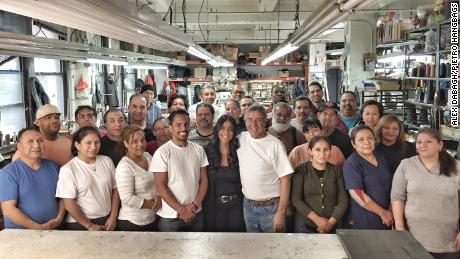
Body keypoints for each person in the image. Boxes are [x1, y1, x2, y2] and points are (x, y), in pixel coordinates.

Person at [392, 128, 460, 259]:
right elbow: (397, 197)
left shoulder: (457, 167)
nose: (423, 145)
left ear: (440, 145)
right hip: (413, 239)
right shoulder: (406, 165)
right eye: (419, 142)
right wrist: (400, 229)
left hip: (448, 241)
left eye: (428, 141)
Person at [237, 105, 293, 233]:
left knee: (275, 248)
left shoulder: (275, 145)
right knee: (253, 248)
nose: (254, 124)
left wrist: (281, 212)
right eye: (249, 120)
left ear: (265, 121)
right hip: (248, 207)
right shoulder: (242, 138)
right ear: (245, 122)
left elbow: (285, 179)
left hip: (271, 209)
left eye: (258, 120)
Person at [151, 110, 208, 232]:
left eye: (186, 124)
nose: (183, 128)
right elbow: (160, 186)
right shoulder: (162, 153)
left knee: (197, 250)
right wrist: (181, 210)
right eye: (178, 124)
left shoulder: (199, 150)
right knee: (170, 251)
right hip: (171, 217)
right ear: (171, 127)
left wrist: (194, 206)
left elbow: (204, 181)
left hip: (196, 213)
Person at [56, 126, 119, 231]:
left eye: (97, 142)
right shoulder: (68, 169)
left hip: (107, 219)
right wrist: (89, 225)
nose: (93, 146)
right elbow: (68, 203)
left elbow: (115, 190)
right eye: (88, 143)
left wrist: (113, 216)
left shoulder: (107, 161)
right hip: (80, 223)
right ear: (77, 145)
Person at [0, 127, 65, 229]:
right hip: (22, 234)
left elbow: (62, 197)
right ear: (19, 146)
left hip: (53, 229)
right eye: (30, 141)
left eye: (40, 140)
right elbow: (9, 210)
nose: (36, 145)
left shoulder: (53, 166)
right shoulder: (9, 173)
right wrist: (38, 227)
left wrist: (59, 219)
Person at [291, 136, 348, 233]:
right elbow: (296, 199)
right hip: (305, 225)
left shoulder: (336, 170)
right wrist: (317, 220)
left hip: (333, 224)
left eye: (326, 149)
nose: (322, 154)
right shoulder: (301, 170)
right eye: (317, 149)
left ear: (330, 151)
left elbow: (343, 200)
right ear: (310, 151)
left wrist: (329, 223)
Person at [343, 125, 393, 230]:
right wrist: (382, 212)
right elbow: (357, 194)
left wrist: (390, 210)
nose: (366, 142)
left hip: (386, 216)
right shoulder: (352, 164)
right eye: (361, 139)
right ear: (353, 143)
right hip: (366, 218)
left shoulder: (379, 156)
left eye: (370, 138)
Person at [115, 125, 161, 231]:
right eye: (135, 141)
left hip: (152, 218)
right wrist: (154, 205)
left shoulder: (148, 156)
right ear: (126, 144)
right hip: (132, 222)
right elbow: (127, 199)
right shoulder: (124, 166)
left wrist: (158, 195)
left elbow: (158, 179)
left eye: (142, 140)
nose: (140, 144)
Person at [203, 115, 245, 232]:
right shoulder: (207, 151)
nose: (226, 132)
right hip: (214, 207)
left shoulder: (240, 151)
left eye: (230, 129)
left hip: (237, 207)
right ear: (217, 130)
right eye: (222, 128)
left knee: (237, 242)